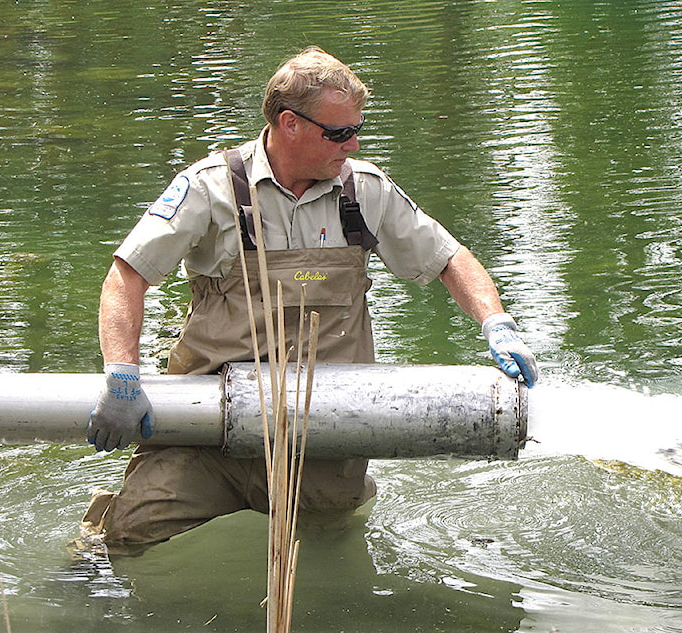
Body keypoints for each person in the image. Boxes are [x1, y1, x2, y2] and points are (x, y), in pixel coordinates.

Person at [81, 46, 539, 551]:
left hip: (326, 433)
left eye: (356, 129)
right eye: (339, 133)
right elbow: (126, 276)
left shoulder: (364, 191)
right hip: (207, 427)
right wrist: (121, 374)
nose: (353, 143)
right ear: (289, 123)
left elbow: (450, 258)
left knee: (326, 568)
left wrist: (496, 323)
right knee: (129, 536)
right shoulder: (210, 189)